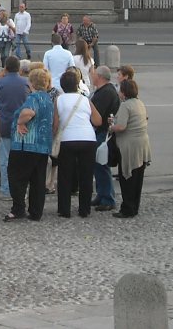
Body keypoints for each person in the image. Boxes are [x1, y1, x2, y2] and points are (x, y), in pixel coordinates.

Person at [4, 66, 55, 222]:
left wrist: (20, 122)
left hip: (26, 144)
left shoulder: (34, 98)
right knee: (38, 180)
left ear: (31, 82)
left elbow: (28, 112)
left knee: (16, 177)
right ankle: (36, 211)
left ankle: (18, 208)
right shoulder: (48, 98)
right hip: (42, 145)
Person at [55, 69, 103, 218]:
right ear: (77, 85)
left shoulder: (59, 100)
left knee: (65, 175)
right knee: (86, 175)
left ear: (62, 86)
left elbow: (55, 125)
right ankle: (84, 209)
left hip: (67, 140)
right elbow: (97, 120)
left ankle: (64, 209)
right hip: (88, 139)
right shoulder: (85, 99)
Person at [109, 77, 151, 218]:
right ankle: (134, 206)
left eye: (120, 90)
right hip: (142, 144)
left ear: (124, 92)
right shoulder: (139, 103)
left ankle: (127, 208)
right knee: (138, 177)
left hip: (130, 146)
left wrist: (111, 127)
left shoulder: (125, 105)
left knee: (127, 178)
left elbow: (121, 126)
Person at [0, 55, 30, 200]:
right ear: (19, 68)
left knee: (5, 160)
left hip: (5, 124)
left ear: (6, 68)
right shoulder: (26, 83)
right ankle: (21, 189)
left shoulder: (0, 83)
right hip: (23, 125)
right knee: (22, 160)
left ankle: (7, 189)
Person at [89, 65, 120, 212]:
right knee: (98, 165)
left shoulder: (105, 93)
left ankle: (108, 198)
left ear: (100, 76)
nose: (92, 76)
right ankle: (101, 194)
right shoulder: (105, 90)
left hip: (101, 133)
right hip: (101, 132)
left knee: (102, 166)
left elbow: (96, 116)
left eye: (94, 74)